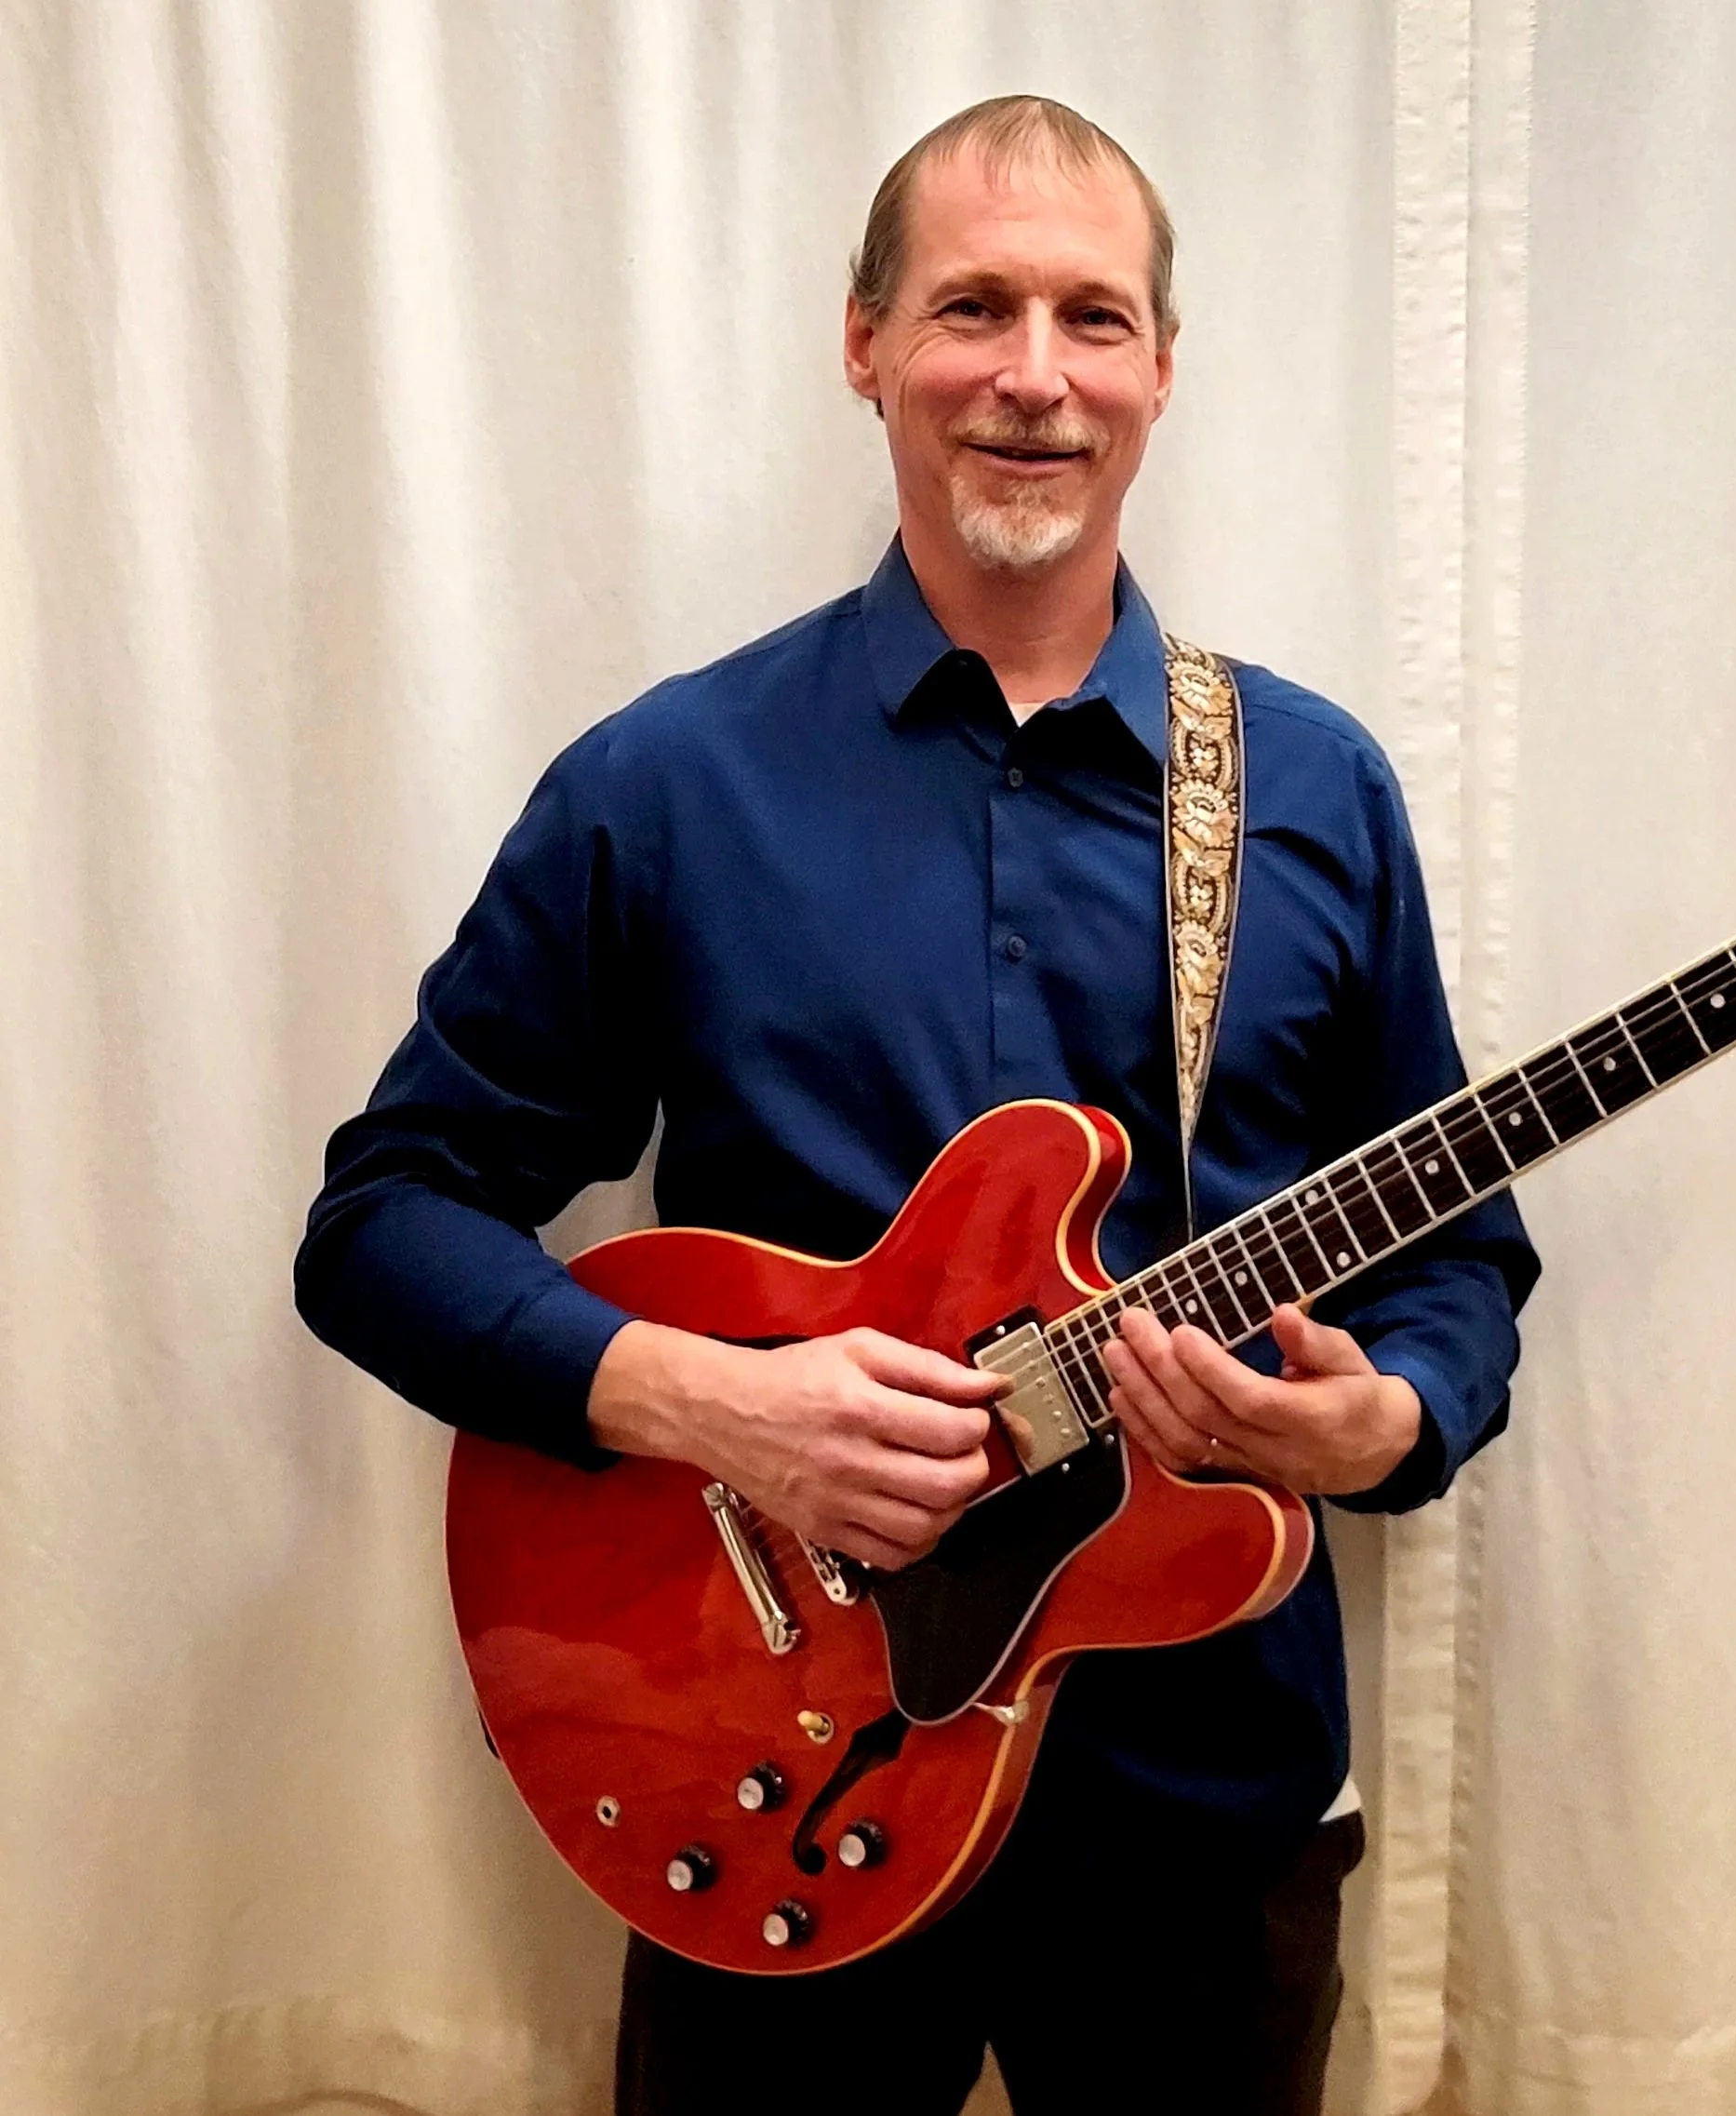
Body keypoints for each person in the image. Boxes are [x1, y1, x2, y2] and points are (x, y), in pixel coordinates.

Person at [295, 94, 1537, 2116]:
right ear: (862, 342)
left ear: (1158, 370)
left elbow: (1458, 1251)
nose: (1034, 378)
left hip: (1198, 1790)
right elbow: (383, 1226)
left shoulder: (1309, 790)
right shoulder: (668, 785)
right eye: (973, 308)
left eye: (1090, 318)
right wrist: (699, 1404)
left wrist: (1381, 1417)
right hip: (765, 1755)